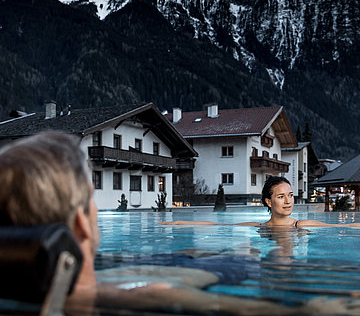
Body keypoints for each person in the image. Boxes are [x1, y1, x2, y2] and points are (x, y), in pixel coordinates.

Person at [0, 131, 303, 315]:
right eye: (91, 198)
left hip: (151, 268)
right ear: (81, 222)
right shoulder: (153, 292)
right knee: (243, 260)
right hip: (204, 273)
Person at [161, 176, 360, 228]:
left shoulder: (301, 224)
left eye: (290, 195)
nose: (289, 201)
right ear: (268, 201)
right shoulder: (260, 227)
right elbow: (218, 223)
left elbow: (345, 225)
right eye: (281, 197)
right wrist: (177, 222)